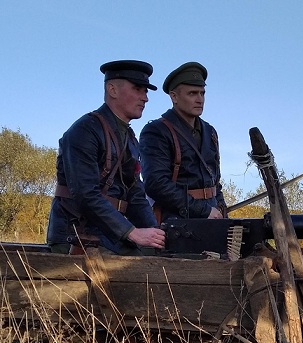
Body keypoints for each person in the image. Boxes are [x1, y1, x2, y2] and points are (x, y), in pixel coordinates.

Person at [47, 60, 166, 255]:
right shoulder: (85, 130)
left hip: (108, 235)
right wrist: (131, 232)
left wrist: (157, 233)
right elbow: (85, 194)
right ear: (112, 89)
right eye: (138, 89)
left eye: (145, 92)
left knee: (158, 257)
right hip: (77, 235)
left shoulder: (129, 138)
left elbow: (135, 193)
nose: (145, 98)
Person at [139, 62, 226, 223]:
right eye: (192, 93)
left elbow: (215, 181)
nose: (200, 99)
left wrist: (222, 211)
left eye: (202, 93)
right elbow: (156, 184)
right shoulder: (156, 131)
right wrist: (202, 210)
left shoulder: (210, 131)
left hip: (213, 217)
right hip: (177, 221)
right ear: (174, 97)